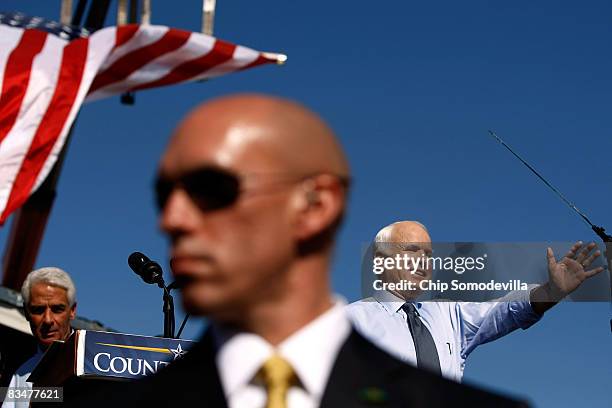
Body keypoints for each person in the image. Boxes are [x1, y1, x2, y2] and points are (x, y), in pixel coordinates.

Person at [82, 94, 528, 407]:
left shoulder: (448, 323)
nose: (174, 218)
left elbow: (506, 310)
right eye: (166, 194)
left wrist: (552, 289)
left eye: (213, 193)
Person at [347, 221, 605, 382]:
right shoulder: (349, 322)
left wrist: (551, 292)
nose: (424, 261)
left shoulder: (448, 316)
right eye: (413, 250)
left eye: (428, 254)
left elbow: (504, 311)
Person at [2, 267, 76, 408]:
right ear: (26, 312)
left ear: (72, 310)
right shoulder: (21, 375)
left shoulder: (97, 361)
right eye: (38, 310)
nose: (48, 320)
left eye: (57, 309)